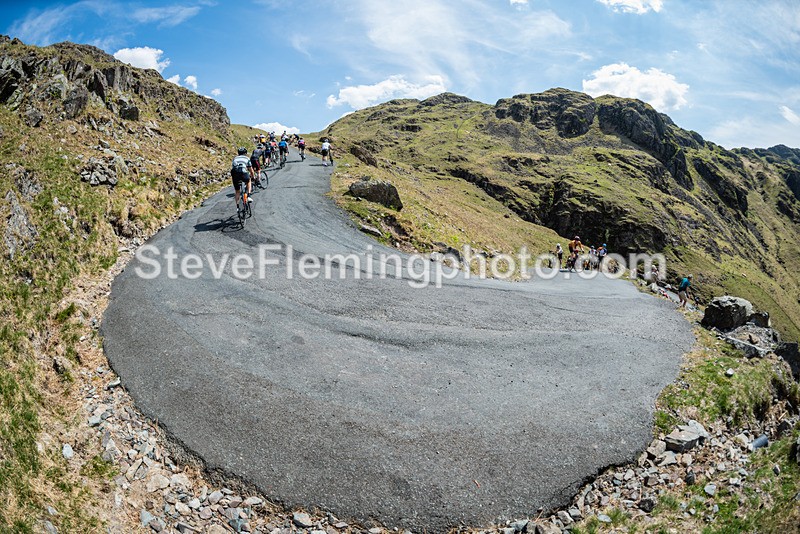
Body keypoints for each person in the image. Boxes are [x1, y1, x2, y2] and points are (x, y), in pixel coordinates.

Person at [231, 147, 254, 213]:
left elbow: (233, 168)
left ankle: (238, 207)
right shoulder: (246, 158)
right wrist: (253, 177)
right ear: (245, 153)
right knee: (248, 181)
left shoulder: (235, 158)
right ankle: (249, 196)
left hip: (235, 174)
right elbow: (251, 170)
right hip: (243, 172)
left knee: (237, 191)